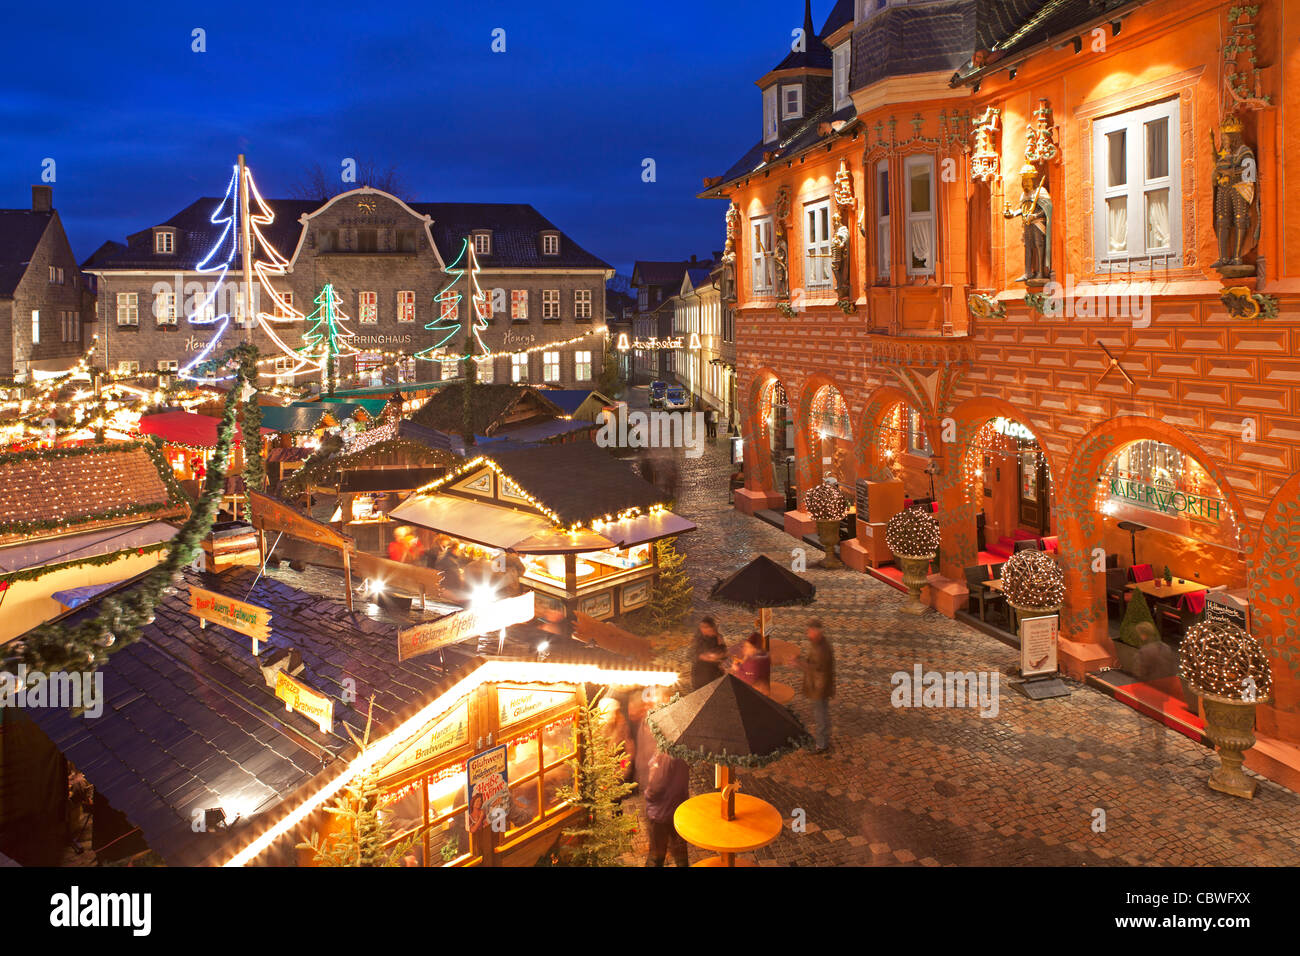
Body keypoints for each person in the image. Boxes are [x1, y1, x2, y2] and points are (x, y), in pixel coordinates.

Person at [643, 741, 690, 867]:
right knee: (681, 855)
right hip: (678, 813)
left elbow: (655, 787)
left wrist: (647, 795)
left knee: (656, 856)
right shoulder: (684, 753)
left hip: (660, 814)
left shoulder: (665, 755)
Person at [794, 618, 835, 754]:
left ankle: (821, 744)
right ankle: (823, 741)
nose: (808, 634)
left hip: (819, 687)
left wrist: (798, 664)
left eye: (810, 631)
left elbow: (816, 668)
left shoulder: (821, 648)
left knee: (820, 715)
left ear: (817, 632)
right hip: (821, 685)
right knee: (822, 713)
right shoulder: (819, 644)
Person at [691, 615, 727, 690]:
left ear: (712, 627)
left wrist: (717, 657)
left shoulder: (718, 637)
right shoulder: (699, 639)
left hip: (714, 672)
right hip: (701, 672)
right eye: (702, 627)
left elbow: (724, 653)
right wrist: (713, 657)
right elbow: (700, 655)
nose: (703, 629)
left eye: (706, 627)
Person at [731, 632, 771, 696]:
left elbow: (749, 680)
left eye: (748, 647)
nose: (745, 649)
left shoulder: (754, 661)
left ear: (754, 648)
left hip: (753, 692)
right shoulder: (763, 654)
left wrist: (737, 669)